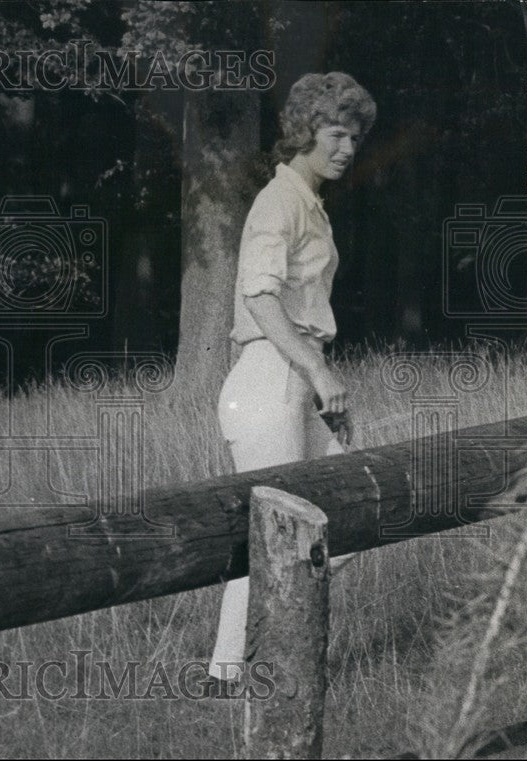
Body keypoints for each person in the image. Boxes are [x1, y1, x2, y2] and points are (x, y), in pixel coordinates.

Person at [208, 72, 377, 682]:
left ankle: (270, 661)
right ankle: (231, 673)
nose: (347, 149)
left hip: (297, 374)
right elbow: (259, 297)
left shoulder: (310, 206)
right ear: (305, 132)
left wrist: (318, 378)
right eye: (336, 134)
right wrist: (314, 368)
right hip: (270, 375)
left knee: (336, 518)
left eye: (355, 138)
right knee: (275, 535)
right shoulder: (277, 201)